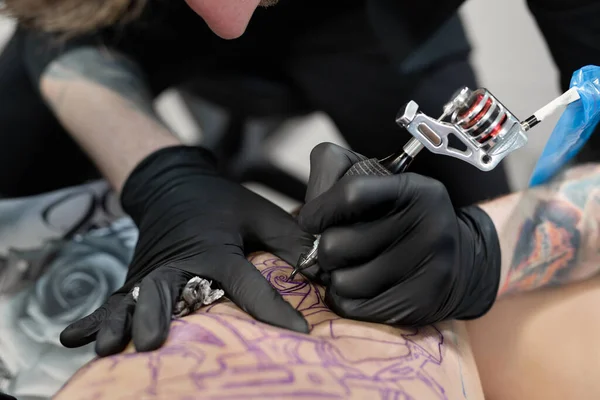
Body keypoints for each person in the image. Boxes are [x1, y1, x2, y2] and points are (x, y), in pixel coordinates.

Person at [0, 0, 510, 357]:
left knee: (505, 308)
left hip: (388, 26)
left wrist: (491, 249)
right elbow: (54, 19)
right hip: (139, 19)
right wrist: (160, 174)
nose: (227, 16)